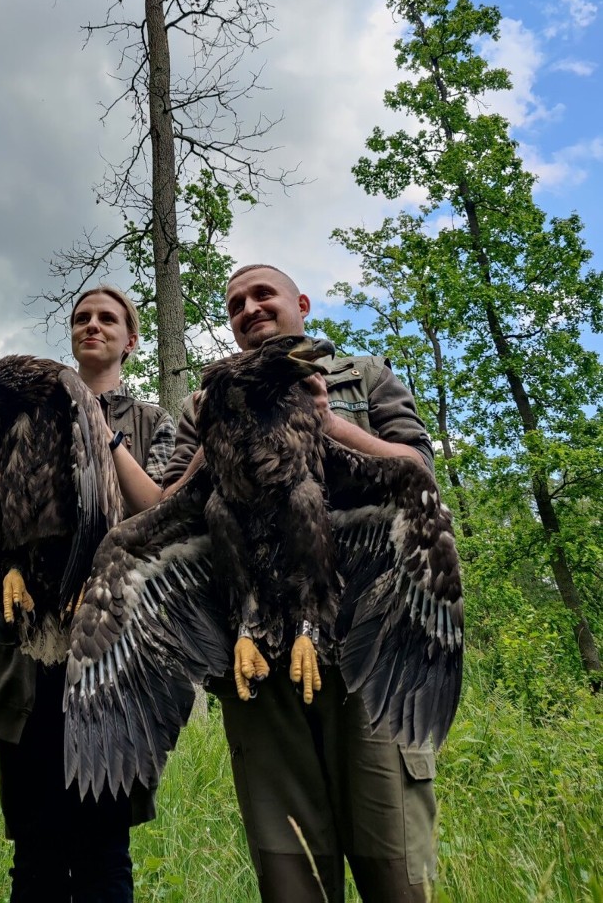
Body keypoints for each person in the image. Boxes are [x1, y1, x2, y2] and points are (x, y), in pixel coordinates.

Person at [161, 264, 438, 903]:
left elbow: (419, 472)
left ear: (301, 304)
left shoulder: (359, 376)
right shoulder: (202, 404)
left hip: (368, 650)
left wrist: (331, 425)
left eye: (263, 295)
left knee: (393, 875)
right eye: (235, 304)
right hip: (258, 663)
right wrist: (216, 440)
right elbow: (172, 508)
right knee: (295, 885)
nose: (250, 309)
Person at [0, 286, 176, 903]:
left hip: (114, 666)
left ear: (132, 338)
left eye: (108, 318)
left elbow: (164, 517)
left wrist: (101, 430)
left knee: (102, 854)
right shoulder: (24, 415)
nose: (92, 325)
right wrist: (11, 564)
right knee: (36, 855)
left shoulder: (152, 424)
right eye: (81, 318)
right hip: (31, 663)